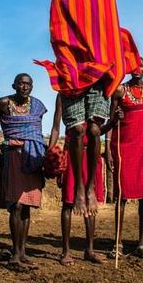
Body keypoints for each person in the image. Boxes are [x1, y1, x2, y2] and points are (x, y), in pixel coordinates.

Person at [35, 0, 141, 218]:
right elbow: (58, 32)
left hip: (100, 69)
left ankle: (92, 186)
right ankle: (79, 189)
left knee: (95, 129)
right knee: (78, 130)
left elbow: (110, 30)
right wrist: (68, 63)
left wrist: (115, 67)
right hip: (72, 69)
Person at [48, 94, 122, 266]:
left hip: (91, 154)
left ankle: (89, 250)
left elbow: (98, 131)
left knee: (90, 202)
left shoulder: (96, 95)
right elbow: (56, 127)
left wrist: (113, 121)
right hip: (72, 153)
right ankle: (65, 251)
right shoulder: (64, 94)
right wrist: (50, 151)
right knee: (68, 202)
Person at [106, 59, 143, 259]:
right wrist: (109, 150)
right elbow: (110, 121)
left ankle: (141, 244)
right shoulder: (120, 90)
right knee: (122, 196)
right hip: (123, 148)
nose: (137, 70)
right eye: (134, 66)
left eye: (141, 66)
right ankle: (118, 243)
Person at [0, 73, 47, 272]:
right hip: (13, 155)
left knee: (26, 206)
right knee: (16, 205)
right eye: (21, 83)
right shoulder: (4, 103)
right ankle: (15, 253)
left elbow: (36, 132)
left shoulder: (37, 106)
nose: (24, 87)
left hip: (32, 155)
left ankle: (22, 251)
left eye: (28, 84)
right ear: (14, 85)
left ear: (32, 86)